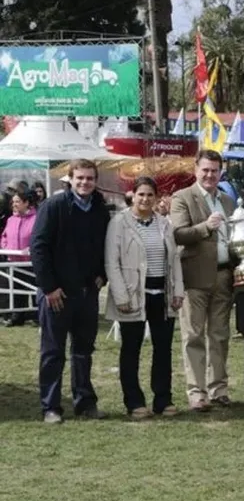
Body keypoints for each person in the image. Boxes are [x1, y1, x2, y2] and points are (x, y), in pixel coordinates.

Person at [30, 159, 111, 424]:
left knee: (83, 351)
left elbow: (104, 246)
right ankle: (51, 407)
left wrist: (102, 275)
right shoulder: (53, 207)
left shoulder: (100, 209)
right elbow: (38, 248)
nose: (85, 183)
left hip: (86, 293)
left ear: (95, 180)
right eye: (80, 178)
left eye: (89, 178)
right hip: (56, 294)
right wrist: (49, 287)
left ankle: (84, 402)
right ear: (70, 179)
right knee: (53, 352)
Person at [105, 176, 185, 419]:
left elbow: (174, 260)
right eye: (141, 194)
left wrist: (178, 291)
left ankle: (163, 399)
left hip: (162, 294)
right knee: (131, 348)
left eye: (150, 195)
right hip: (132, 294)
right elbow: (112, 261)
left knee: (163, 349)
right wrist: (120, 295)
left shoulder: (164, 224)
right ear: (133, 194)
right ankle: (134, 401)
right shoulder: (119, 223)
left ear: (157, 197)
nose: (145, 199)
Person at [170, 149, 237, 412]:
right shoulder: (182, 197)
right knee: (193, 336)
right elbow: (178, 234)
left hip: (223, 275)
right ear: (195, 170)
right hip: (194, 278)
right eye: (205, 170)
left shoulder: (228, 202)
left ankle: (218, 388)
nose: (210, 175)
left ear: (221, 171)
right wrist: (205, 227)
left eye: (214, 170)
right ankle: (197, 392)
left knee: (220, 335)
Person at [1, 182, 38, 326]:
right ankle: (18, 316)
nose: (14, 205)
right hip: (13, 261)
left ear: (26, 203)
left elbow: (38, 237)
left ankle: (37, 315)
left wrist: (30, 248)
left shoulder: (36, 218)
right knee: (16, 290)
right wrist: (5, 246)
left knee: (34, 289)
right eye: (13, 202)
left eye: (17, 202)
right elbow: (4, 236)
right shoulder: (11, 219)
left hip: (30, 261)